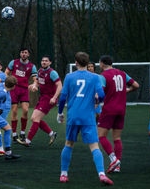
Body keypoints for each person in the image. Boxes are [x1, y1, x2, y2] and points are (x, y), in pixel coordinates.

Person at [57, 52, 113, 185]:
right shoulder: (95, 77)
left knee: (69, 144)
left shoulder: (69, 77)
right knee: (94, 146)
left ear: (76, 63)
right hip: (88, 117)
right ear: (88, 64)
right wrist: (97, 101)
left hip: (73, 116)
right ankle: (102, 174)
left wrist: (60, 113)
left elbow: (63, 97)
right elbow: (102, 95)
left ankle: (63, 174)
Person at [97, 55, 139, 173]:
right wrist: (128, 90)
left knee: (101, 136)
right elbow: (136, 85)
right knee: (117, 138)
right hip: (121, 109)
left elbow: (100, 93)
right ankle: (118, 166)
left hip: (109, 109)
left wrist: (94, 100)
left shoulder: (103, 76)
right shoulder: (122, 73)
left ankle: (113, 159)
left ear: (102, 64)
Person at [17, 56, 62, 147]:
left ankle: (28, 141)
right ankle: (52, 134)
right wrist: (34, 85)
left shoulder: (52, 73)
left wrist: (54, 97)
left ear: (50, 63)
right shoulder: (40, 71)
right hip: (42, 98)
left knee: (35, 118)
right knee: (34, 118)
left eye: (46, 61)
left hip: (49, 99)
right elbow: (37, 82)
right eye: (42, 60)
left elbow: (60, 85)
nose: (44, 62)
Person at [5, 47, 37, 142]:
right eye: (22, 52)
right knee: (14, 111)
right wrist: (8, 82)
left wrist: (35, 84)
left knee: (25, 110)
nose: (23, 54)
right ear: (20, 54)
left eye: (25, 52)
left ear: (28, 54)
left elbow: (35, 79)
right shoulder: (13, 62)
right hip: (14, 89)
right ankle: (14, 134)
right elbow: (6, 73)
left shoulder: (32, 66)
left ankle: (22, 132)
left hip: (24, 90)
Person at [0, 76, 21, 163]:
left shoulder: (0, 85)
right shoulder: (2, 93)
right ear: (13, 86)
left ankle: (8, 153)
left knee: (8, 129)